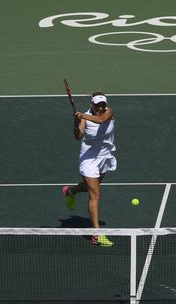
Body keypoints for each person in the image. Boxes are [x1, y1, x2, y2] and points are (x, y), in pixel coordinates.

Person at [62, 92, 117, 246]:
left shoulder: (108, 112)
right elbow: (78, 137)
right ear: (91, 104)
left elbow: (101, 120)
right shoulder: (85, 118)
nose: (101, 107)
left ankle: (70, 191)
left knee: (90, 188)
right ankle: (97, 234)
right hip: (89, 160)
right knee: (95, 195)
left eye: (103, 104)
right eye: (98, 105)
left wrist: (83, 117)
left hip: (105, 156)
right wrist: (76, 122)